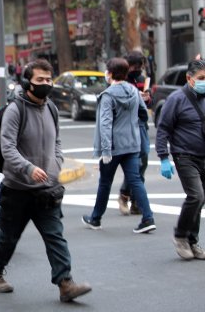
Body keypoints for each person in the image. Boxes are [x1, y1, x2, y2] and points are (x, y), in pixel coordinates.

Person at [0, 59, 91, 303]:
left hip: (47, 189)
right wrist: (28, 168)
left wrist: (57, 162)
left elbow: (57, 140)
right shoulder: (15, 110)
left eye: (48, 79)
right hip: (17, 189)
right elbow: (7, 147)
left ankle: (65, 283)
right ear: (27, 82)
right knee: (9, 236)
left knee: (55, 236)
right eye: (39, 80)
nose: (45, 84)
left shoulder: (51, 108)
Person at [83, 57, 156, 234]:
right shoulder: (133, 90)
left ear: (109, 73)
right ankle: (148, 218)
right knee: (136, 180)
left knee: (105, 183)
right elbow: (143, 115)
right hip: (132, 144)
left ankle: (96, 218)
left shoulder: (108, 95)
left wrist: (106, 150)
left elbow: (105, 124)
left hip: (114, 148)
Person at [156, 59, 205, 260]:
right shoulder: (176, 99)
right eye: (201, 78)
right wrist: (163, 158)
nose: (204, 81)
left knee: (201, 200)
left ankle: (192, 240)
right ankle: (180, 236)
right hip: (184, 155)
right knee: (196, 196)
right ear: (189, 79)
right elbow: (163, 129)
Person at [118, 51, 151, 215]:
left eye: (140, 66)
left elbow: (149, 101)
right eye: (135, 66)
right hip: (127, 125)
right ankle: (127, 195)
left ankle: (134, 199)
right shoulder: (121, 81)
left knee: (143, 161)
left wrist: (146, 97)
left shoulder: (142, 80)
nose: (138, 69)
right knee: (135, 164)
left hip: (141, 124)